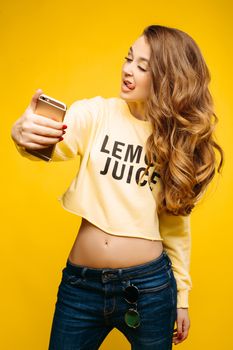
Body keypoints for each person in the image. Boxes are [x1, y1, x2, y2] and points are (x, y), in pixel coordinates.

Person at [11, 24, 224, 350]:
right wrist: (25, 134)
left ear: (168, 76)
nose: (128, 70)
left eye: (142, 66)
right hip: (81, 287)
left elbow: (176, 225)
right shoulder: (97, 113)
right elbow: (54, 142)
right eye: (128, 59)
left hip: (150, 289)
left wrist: (182, 297)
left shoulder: (175, 142)